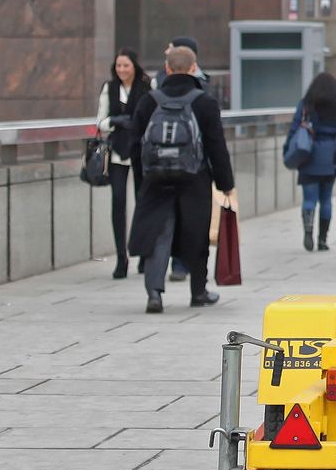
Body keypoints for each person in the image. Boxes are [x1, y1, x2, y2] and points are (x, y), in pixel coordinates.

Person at [127, 44, 235, 313]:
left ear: (167, 68)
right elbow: (216, 146)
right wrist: (225, 183)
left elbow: (134, 143)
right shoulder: (204, 102)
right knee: (196, 234)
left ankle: (154, 293)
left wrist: (143, 179)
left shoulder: (150, 100)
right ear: (192, 68)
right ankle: (198, 291)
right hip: (194, 178)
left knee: (158, 235)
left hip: (156, 180)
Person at [96, 50, 151, 280]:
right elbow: (100, 122)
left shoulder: (147, 86)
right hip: (118, 152)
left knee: (143, 202)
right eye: (118, 66)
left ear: (134, 66)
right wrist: (115, 121)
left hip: (140, 152)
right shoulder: (110, 88)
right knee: (118, 201)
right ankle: (121, 257)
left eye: (125, 66)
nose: (121, 70)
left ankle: (143, 254)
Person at [162, 37, 210, 281]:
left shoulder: (158, 89)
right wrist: (225, 180)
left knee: (172, 219)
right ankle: (197, 285)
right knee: (194, 221)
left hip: (161, 165)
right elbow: (214, 135)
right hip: (195, 167)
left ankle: (166, 274)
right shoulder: (204, 91)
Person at [291, 72, 336, 252]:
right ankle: (323, 239)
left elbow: (295, 127)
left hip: (309, 153)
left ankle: (308, 232)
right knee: (326, 199)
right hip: (330, 156)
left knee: (309, 198)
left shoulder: (307, 104)